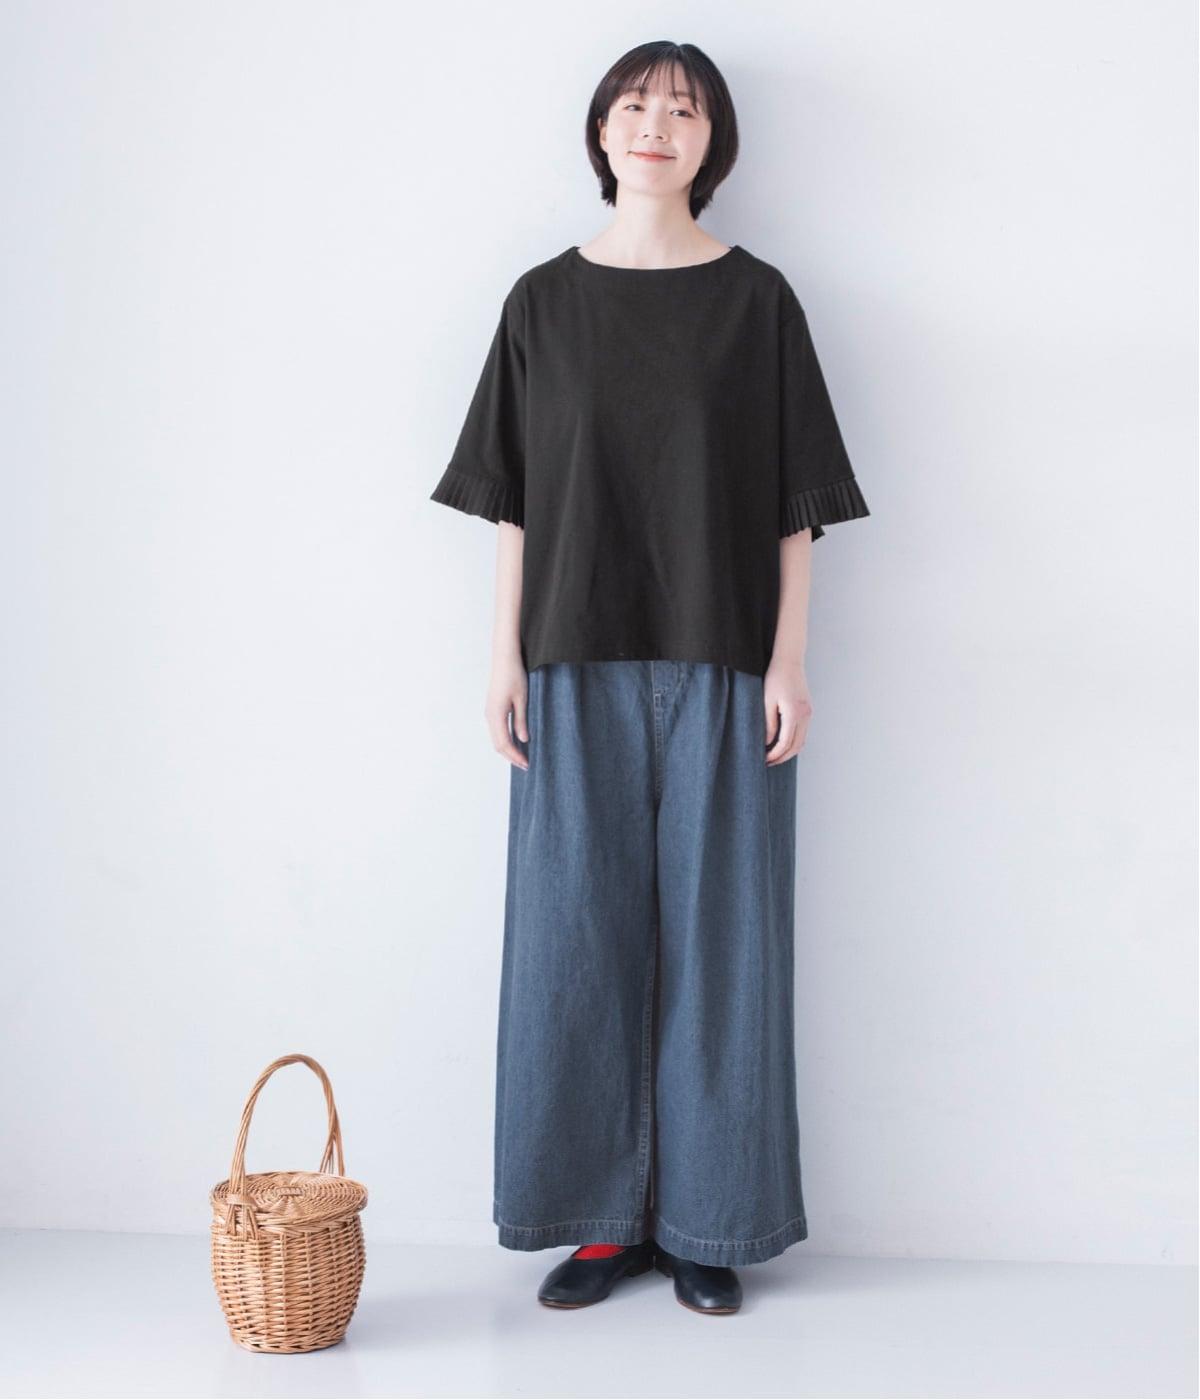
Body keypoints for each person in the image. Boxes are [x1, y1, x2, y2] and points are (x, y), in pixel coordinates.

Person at [429, 39, 870, 1316]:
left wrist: (789, 660)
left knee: (726, 947)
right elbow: (515, 502)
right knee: (572, 941)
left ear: (713, 141)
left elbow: (796, 503)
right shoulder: (542, 304)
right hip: (570, 662)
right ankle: (597, 1221)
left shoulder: (758, 302)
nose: (656, 124)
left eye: (683, 108)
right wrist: (501, 657)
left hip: (728, 663)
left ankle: (710, 1220)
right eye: (635, 104)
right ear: (601, 131)